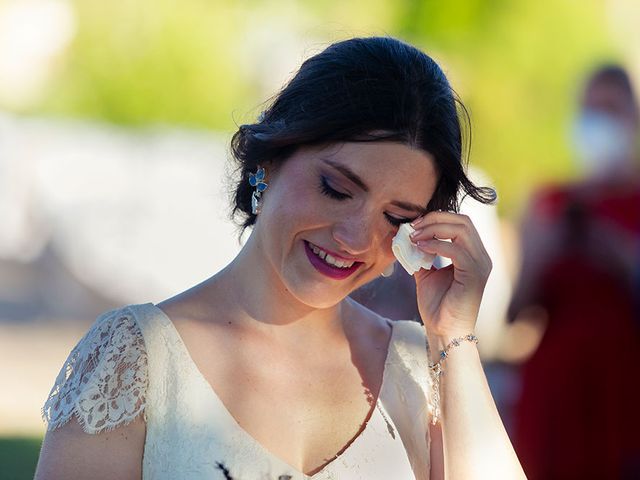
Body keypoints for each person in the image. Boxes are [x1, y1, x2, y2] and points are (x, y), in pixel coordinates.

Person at [35, 36, 526, 479]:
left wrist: (452, 333)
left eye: (396, 217)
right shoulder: (133, 361)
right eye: (335, 189)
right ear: (269, 156)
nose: (356, 238)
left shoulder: (420, 367)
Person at [508, 65, 640, 479]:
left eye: (609, 110)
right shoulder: (549, 203)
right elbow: (515, 314)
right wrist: (544, 250)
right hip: (556, 398)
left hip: (624, 398)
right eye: (588, 111)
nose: (597, 124)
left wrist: (618, 253)